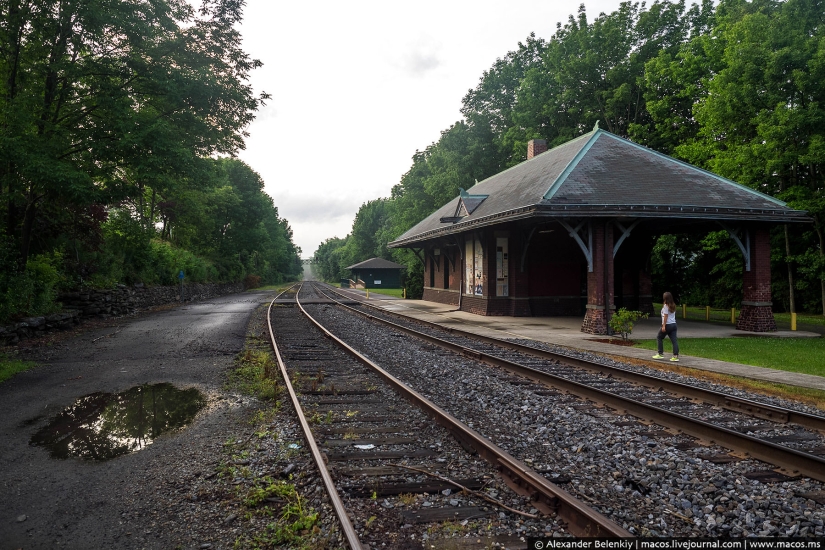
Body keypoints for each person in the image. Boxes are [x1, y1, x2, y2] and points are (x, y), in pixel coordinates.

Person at [652, 291, 679, 361]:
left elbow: (666, 316)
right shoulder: (673, 305)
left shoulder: (666, 306)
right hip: (674, 325)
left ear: (665, 298)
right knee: (674, 341)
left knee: (659, 337)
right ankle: (675, 356)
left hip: (668, 325)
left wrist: (663, 326)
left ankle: (660, 354)